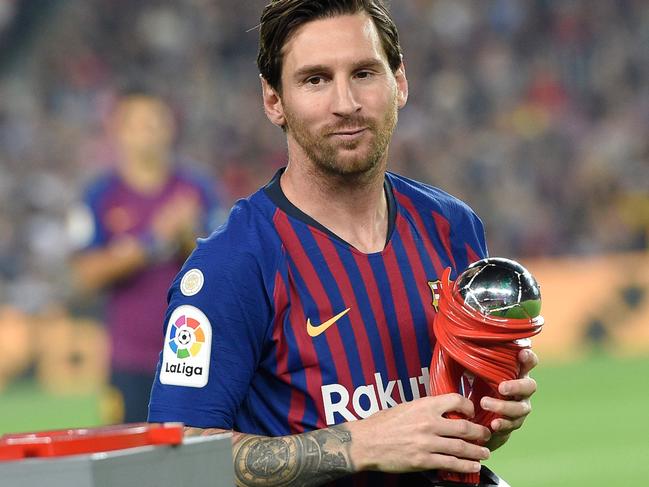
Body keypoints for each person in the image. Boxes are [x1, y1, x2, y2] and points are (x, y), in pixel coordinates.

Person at [148, 1, 538, 485]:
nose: (346, 102)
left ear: (400, 82)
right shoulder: (235, 264)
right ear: (274, 101)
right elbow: (172, 461)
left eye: (364, 73)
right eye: (315, 79)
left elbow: (447, 430)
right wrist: (359, 444)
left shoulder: (451, 227)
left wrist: (487, 414)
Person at [70, 90, 222, 423]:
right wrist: (152, 242)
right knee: (132, 466)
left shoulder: (198, 188)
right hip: (129, 362)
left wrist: (186, 238)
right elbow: (85, 274)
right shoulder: (99, 195)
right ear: (118, 131)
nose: (149, 131)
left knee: (198, 462)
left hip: (193, 354)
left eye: (156, 121)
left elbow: (223, 270)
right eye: (139, 123)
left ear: (171, 127)